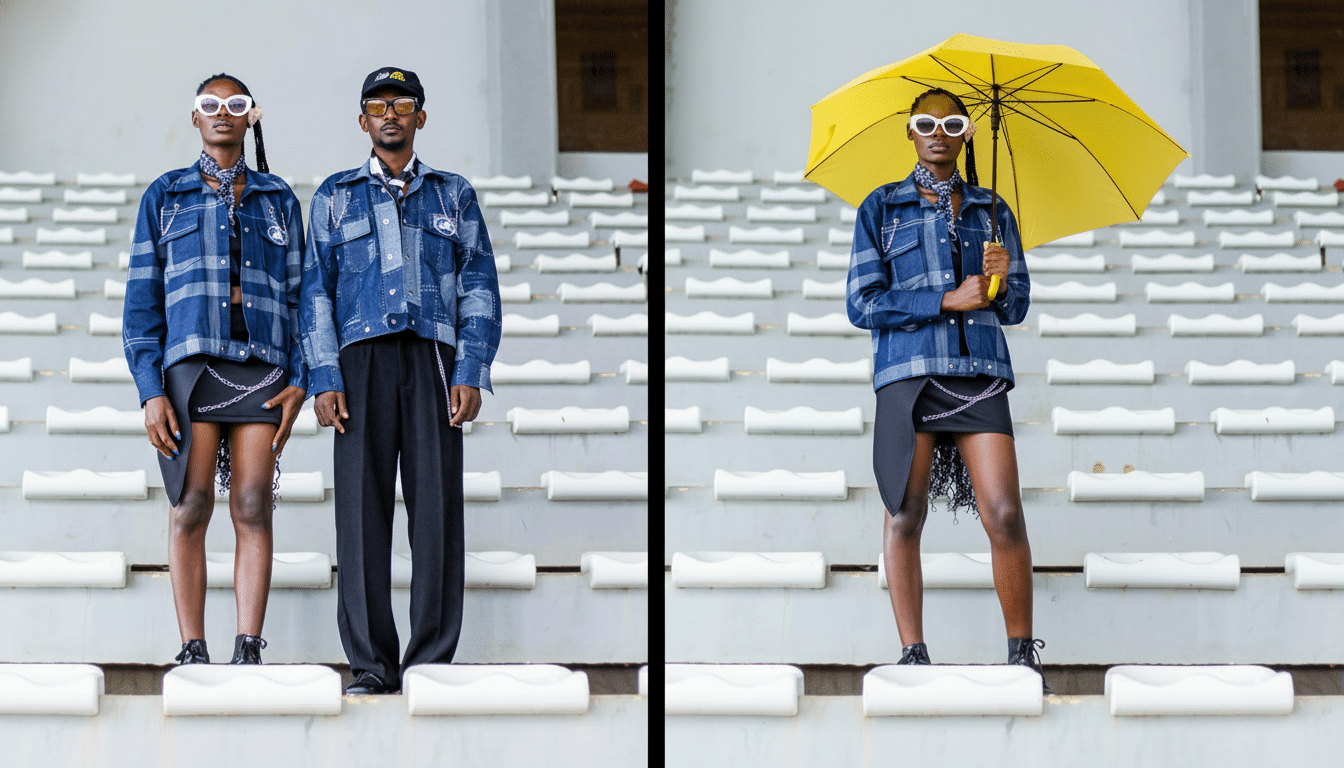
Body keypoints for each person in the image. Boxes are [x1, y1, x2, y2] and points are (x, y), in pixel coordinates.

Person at [301, 67, 502, 695]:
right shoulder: (334, 195)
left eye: (404, 103)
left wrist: (471, 367)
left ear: (421, 116)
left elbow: (479, 284)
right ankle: (370, 665)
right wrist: (324, 374)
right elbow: (316, 291)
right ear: (363, 121)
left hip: (434, 359)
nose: (391, 114)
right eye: (378, 106)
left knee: (436, 511)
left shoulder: (453, 194)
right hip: (359, 363)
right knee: (360, 514)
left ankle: (431, 661)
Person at [846, 88, 1049, 691]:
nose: (938, 131)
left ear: (965, 134)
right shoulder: (881, 208)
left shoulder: (993, 211)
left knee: (1004, 512)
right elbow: (862, 303)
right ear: (910, 132)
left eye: (952, 122)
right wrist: (943, 299)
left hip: (979, 371)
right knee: (905, 513)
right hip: (908, 375)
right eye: (926, 122)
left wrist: (1001, 280)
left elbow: (1013, 309)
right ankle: (913, 653)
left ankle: (1021, 653)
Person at [124, 73, 308, 666]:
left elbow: (305, 298)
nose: (222, 113)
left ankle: (249, 646)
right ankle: (192, 647)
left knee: (253, 501)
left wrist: (301, 376)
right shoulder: (165, 195)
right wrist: (151, 391)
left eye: (234, 105)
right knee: (192, 504)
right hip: (192, 368)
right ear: (196, 118)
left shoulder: (278, 197)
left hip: (262, 365)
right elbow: (141, 304)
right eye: (210, 105)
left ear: (251, 115)